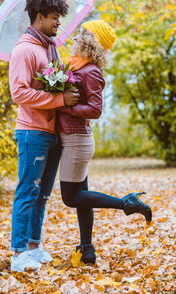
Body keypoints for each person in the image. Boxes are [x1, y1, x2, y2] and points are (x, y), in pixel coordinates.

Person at [56, 20, 153, 266]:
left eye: (82, 34)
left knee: (71, 198)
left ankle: (127, 203)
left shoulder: (91, 71)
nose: (76, 37)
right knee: (82, 196)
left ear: (90, 41)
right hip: (72, 138)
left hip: (77, 140)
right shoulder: (77, 65)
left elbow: (95, 110)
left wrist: (67, 105)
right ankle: (87, 250)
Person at [8, 0, 80, 272]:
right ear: (39, 18)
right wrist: (60, 100)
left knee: (43, 195)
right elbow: (19, 93)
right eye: (53, 18)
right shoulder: (24, 50)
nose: (58, 23)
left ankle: (33, 246)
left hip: (52, 131)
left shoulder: (49, 48)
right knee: (28, 191)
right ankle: (18, 253)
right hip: (32, 132)